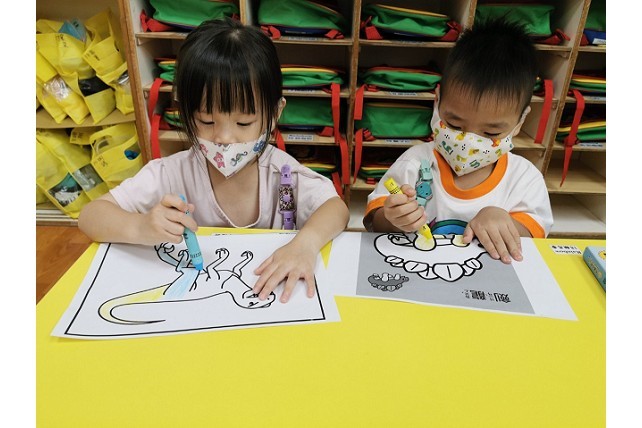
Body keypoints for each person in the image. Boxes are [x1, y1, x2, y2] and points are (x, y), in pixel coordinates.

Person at [78, 18, 349, 303]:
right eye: (206, 121)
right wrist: (140, 227)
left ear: (274, 114)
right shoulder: (171, 173)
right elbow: (91, 216)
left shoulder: (284, 174)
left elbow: (336, 208)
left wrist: (306, 244)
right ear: (186, 113)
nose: (224, 137)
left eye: (244, 123)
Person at [363, 18, 553, 264]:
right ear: (437, 101)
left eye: (490, 133)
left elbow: (532, 238)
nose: (468, 143)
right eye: (454, 125)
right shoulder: (414, 163)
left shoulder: (524, 178)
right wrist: (394, 218)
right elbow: (377, 222)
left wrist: (505, 223)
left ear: (520, 122)